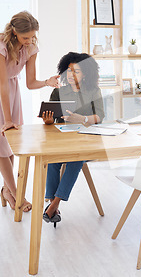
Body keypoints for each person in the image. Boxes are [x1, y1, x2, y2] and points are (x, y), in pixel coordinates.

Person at [0, 11, 60, 211]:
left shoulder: (31, 48)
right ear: (14, 31)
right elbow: (1, 83)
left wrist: (47, 82)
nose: (29, 41)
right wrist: (7, 119)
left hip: (11, 89)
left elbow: (30, 83)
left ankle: (7, 191)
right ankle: (18, 194)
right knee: (0, 139)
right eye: (25, 37)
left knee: (10, 143)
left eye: (32, 36)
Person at [41, 52, 105, 226]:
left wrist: (83, 119)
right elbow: (51, 121)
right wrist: (48, 121)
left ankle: (54, 204)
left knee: (75, 161)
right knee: (53, 160)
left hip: (86, 140)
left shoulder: (93, 91)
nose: (70, 75)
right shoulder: (58, 92)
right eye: (68, 71)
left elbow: (100, 116)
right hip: (63, 140)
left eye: (76, 71)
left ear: (85, 74)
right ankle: (51, 204)